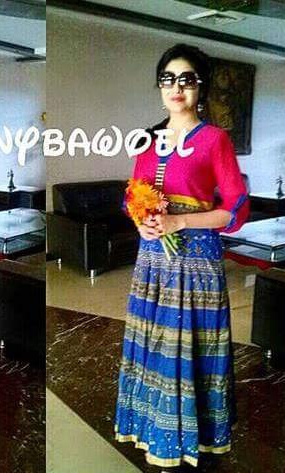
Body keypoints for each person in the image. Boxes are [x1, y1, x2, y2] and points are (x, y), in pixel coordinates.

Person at [114, 43, 249, 471]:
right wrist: (141, 221)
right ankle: (152, 432)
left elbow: (236, 209)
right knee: (153, 345)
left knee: (187, 349)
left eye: (187, 79)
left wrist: (180, 222)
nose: (176, 87)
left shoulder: (214, 140)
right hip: (152, 260)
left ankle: (192, 440)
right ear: (159, 87)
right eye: (168, 79)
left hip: (196, 263)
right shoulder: (147, 140)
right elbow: (131, 196)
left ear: (200, 87)